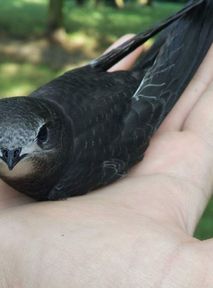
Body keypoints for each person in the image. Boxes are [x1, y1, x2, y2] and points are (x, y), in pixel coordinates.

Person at [0, 35, 212, 287]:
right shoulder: (43, 103)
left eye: (41, 136)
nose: (11, 157)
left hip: (129, 99)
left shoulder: (65, 174)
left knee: (194, 34)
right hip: (114, 89)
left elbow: (133, 107)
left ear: (50, 129)